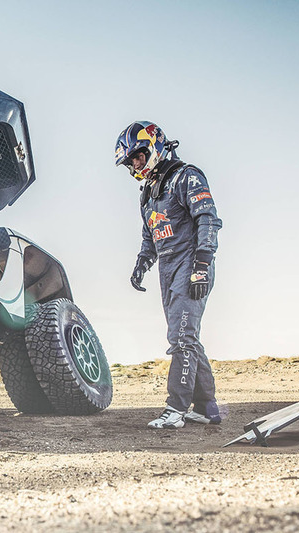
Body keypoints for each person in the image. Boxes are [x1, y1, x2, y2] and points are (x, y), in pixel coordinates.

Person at [114, 121, 223, 429]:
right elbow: (150, 235)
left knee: (181, 337)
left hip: (191, 262)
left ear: (156, 145)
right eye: (130, 160)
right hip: (167, 268)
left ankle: (175, 408)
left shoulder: (186, 177)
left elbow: (208, 219)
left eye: (139, 154)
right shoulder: (147, 194)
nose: (135, 163)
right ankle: (207, 408)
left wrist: (202, 264)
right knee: (186, 337)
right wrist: (141, 264)